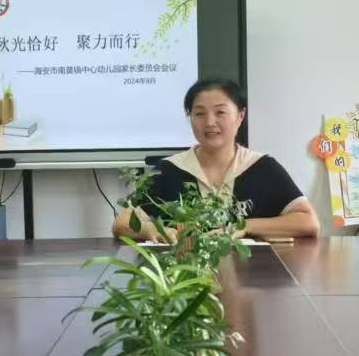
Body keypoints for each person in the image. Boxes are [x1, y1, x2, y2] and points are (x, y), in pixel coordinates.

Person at [115, 78, 320, 241]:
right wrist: (150, 229)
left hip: (253, 279)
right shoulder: (169, 169)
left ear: (240, 116)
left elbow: (308, 222)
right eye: (199, 114)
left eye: (220, 112)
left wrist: (242, 227)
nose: (210, 122)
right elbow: (122, 222)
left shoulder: (262, 167)